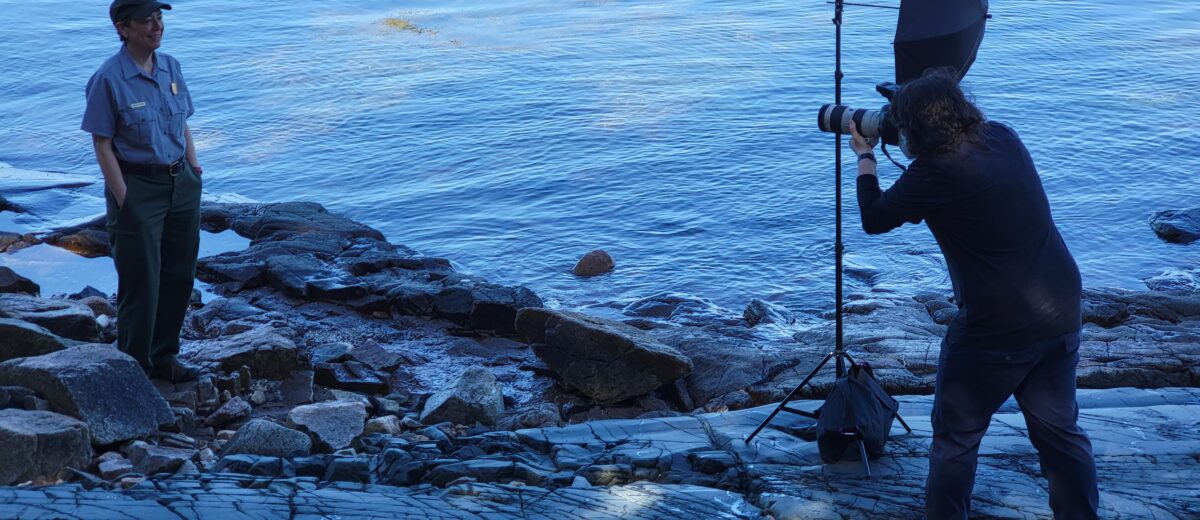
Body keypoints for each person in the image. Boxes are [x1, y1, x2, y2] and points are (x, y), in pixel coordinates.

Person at [848, 68, 1099, 519]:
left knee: (956, 439)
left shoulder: (934, 172)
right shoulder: (1002, 136)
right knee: (1060, 431)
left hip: (994, 327)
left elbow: (874, 218)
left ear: (915, 130)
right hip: (1060, 305)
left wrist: (866, 157)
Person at [82, 0, 203, 382]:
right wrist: (125, 199)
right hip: (137, 187)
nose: (156, 25)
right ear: (123, 28)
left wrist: (194, 168)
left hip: (180, 181)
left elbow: (183, 121)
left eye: (159, 17)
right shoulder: (108, 79)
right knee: (141, 281)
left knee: (179, 274)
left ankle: (165, 357)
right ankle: (134, 370)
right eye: (146, 20)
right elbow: (102, 146)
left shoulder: (171, 66)